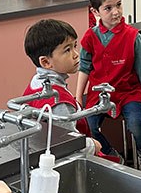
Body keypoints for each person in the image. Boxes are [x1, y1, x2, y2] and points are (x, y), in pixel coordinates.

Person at [74, 0, 141, 171]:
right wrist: (78, 97)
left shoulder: (133, 36)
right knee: (88, 126)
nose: (116, 12)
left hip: (128, 92)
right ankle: (110, 154)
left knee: (136, 123)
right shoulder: (90, 36)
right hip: (99, 93)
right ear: (95, 12)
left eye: (118, 5)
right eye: (108, 8)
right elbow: (84, 66)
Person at [21, 19, 113, 162]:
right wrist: (92, 145)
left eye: (75, 46)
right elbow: (67, 144)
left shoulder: (37, 82)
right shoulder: (59, 104)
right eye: (67, 50)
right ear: (45, 62)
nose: (76, 54)